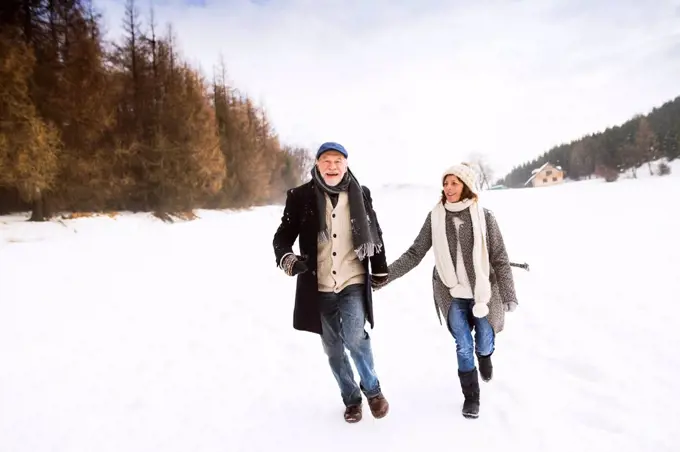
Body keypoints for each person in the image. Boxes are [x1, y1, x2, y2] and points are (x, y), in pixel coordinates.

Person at [376, 163, 518, 419]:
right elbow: (415, 252)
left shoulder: (485, 216)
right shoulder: (435, 217)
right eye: (445, 183)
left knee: (484, 340)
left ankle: (485, 356)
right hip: (450, 291)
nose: (448, 188)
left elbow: (499, 257)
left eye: (454, 183)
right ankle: (471, 398)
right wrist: (384, 277)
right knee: (463, 344)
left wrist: (509, 294)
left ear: (466, 186)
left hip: (484, 291)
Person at [272, 141, 390, 423]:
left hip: (352, 279)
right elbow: (282, 237)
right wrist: (288, 259)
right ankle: (351, 400)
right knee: (333, 348)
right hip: (320, 284)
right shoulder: (300, 196)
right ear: (317, 164)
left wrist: (380, 268)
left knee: (354, 337)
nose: (332, 166)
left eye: (338, 161)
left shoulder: (361, 194)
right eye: (327, 161)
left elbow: (374, 231)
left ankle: (372, 390)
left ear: (346, 164)